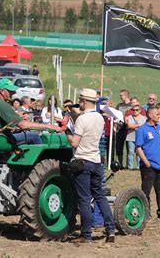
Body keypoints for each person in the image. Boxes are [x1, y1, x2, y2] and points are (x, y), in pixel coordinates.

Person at [66, 89, 115, 244]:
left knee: (85, 200)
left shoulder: (82, 119)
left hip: (83, 161)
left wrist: (66, 130)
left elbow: (74, 142)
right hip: (96, 161)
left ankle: (86, 235)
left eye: (80, 100)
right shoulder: (100, 118)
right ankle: (110, 230)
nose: (79, 103)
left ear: (84, 101)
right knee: (100, 196)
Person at [0, 78, 60, 145]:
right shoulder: (3, 105)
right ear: (2, 91)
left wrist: (16, 115)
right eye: (10, 91)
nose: (14, 92)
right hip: (2, 141)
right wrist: (48, 126)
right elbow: (23, 125)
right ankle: (41, 159)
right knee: (34, 136)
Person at [136, 107, 160, 221]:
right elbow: (138, 148)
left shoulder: (158, 128)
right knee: (146, 191)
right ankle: (146, 213)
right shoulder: (142, 129)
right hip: (149, 166)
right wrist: (146, 162)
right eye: (157, 114)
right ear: (150, 115)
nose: (159, 116)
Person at [125, 105, 147, 170]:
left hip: (140, 137)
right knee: (130, 152)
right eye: (133, 110)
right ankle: (130, 167)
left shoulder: (144, 118)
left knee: (139, 152)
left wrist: (133, 126)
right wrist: (138, 125)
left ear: (140, 110)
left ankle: (139, 166)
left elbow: (143, 126)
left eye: (137, 110)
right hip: (130, 137)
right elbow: (129, 126)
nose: (135, 111)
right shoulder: (129, 117)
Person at [115, 90, 132, 169]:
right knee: (119, 147)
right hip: (120, 129)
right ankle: (120, 165)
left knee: (130, 148)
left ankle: (129, 165)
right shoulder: (119, 105)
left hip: (129, 129)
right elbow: (115, 116)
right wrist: (114, 126)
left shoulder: (132, 105)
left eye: (121, 95)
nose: (120, 97)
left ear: (126, 95)